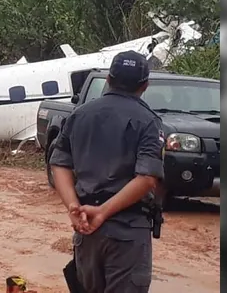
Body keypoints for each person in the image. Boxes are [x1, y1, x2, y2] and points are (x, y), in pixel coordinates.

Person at [50, 51, 165, 293]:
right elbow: (146, 179)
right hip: (126, 231)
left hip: (86, 229)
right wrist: (102, 212)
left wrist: (73, 207)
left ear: (108, 80)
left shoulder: (79, 115)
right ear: (145, 85)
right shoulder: (148, 122)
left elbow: (59, 163)